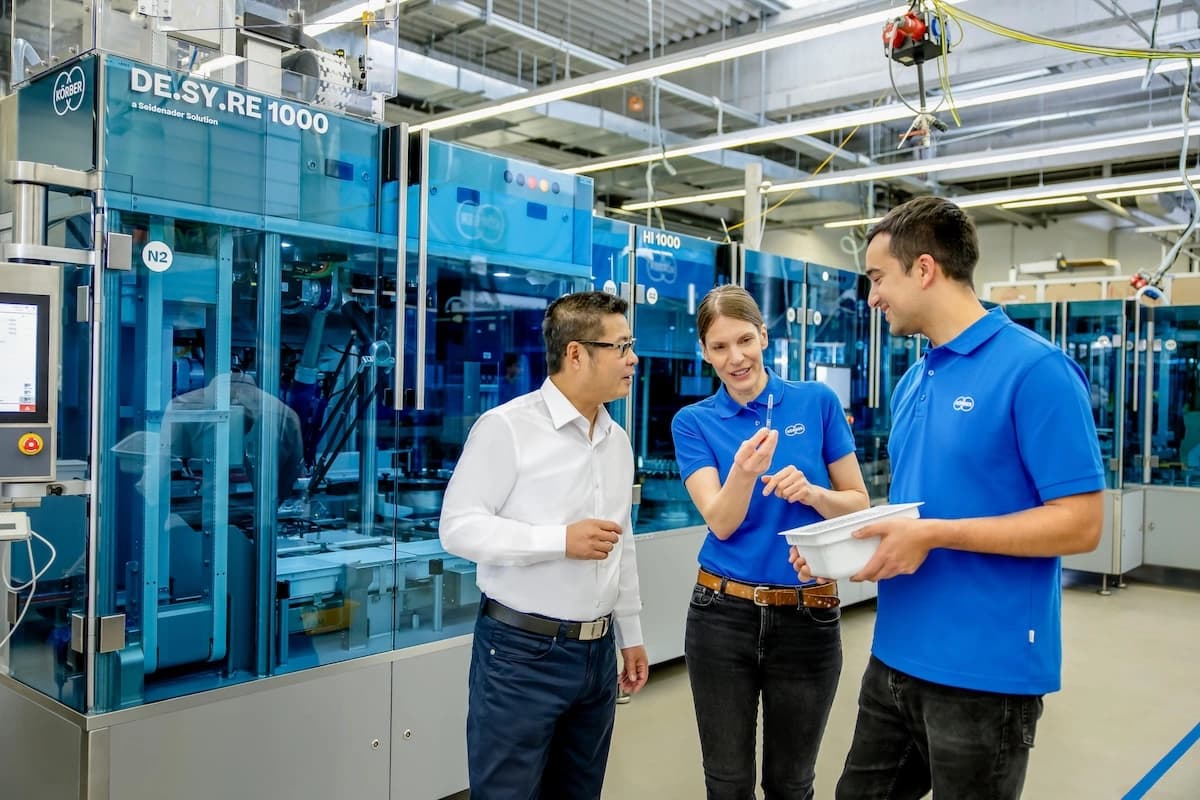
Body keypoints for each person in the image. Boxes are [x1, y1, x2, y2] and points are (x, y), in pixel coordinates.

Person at [792, 195, 1104, 800]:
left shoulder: (1036, 370)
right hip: (895, 660)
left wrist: (935, 535)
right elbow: (917, 513)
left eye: (879, 277)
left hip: (984, 673)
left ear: (925, 269)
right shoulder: (916, 378)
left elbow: (1081, 524)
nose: (872, 295)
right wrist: (847, 549)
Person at [439, 290, 650, 800]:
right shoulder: (507, 429)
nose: (633, 359)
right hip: (520, 655)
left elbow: (620, 545)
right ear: (576, 354)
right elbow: (457, 527)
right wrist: (559, 541)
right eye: (620, 347)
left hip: (596, 656)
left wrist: (631, 631)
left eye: (631, 344)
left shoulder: (616, 440)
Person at [672, 285, 870, 800]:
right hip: (721, 615)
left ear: (764, 335)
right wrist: (743, 470)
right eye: (719, 347)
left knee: (791, 782)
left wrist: (812, 491)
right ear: (704, 352)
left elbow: (858, 503)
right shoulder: (692, 423)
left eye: (744, 340)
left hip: (808, 616)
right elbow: (721, 522)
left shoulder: (817, 402)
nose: (735, 358)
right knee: (728, 782)